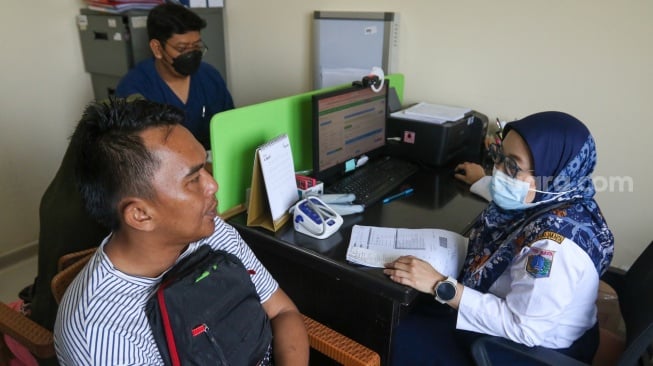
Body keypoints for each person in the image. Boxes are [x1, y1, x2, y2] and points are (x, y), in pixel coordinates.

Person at [53, 98, 309, 365]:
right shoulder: (104, 335)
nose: (213, 185)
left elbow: (282, 311)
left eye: (205, 168)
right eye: (194, 179)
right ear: (140, 214)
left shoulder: (209, 230)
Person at [384, 111, 614, 365]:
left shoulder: (552, 248)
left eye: (512, 166)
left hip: (526, 351)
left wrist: (440, 285)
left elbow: (524, 329)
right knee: (419, 307)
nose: (499, 171)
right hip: (531, 316)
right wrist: (483, 181)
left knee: (399, 333)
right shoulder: (567, 198)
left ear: (552, 176)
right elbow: (520, 204)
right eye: (499, 156)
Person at [116, 3, 234, 149]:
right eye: (182, 48)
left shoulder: (210, 77)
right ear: (157, 48)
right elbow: (139, 153)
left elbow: (230, 128)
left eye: (197, 46)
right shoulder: (134, 88)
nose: (191, 55)